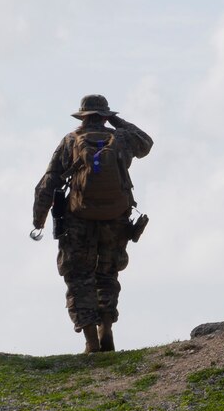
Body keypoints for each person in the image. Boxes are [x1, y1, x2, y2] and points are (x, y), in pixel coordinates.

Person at [31, 95, 153, 354]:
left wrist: (38, 219)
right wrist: (117, 122)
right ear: (105, 115)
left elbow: (48, 182)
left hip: (78, 221)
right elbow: (146, 143)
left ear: (83, 117)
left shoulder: (70, 141)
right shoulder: (120, 139)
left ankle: (91, 341)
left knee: (78, 277)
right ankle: (106, 327)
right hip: (115, 220)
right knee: (107, 275)